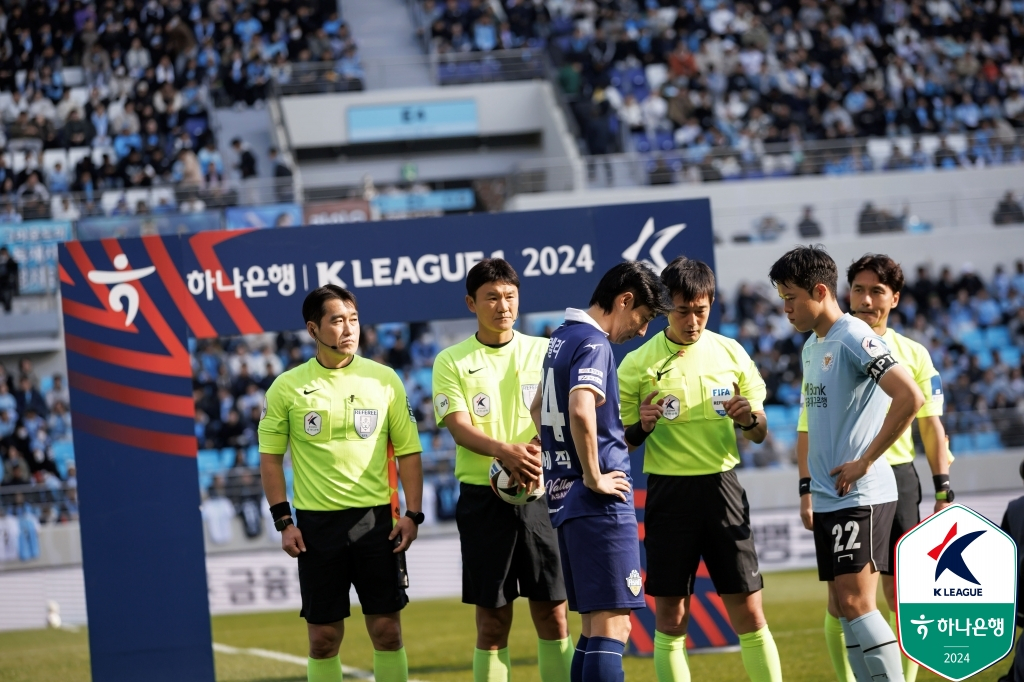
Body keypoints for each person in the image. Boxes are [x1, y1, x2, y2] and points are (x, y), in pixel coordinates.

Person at [618, 257, 782, 682]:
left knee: (749, 609)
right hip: (669, 495)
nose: (692, 321)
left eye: (701, 310)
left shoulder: (732, 352)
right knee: (671, 618)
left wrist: (749, 419)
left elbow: (760, 432)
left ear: (711, 304)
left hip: (723, 489)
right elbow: (615, 442)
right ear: (663, 307)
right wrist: (641, 425)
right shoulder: (637, 363)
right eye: (682, 310)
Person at [769, 245, 924, 682]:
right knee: (842, 607)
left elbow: (910, 396)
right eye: (782, 298)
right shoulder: (812, 346)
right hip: (831, 498)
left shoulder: (854, 335)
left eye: (791, 297)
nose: (785, 308)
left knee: (858, 603)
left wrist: (865, 460)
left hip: (861, 494)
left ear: (820, 290)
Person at [798, 254, 953, 682]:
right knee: (845, 603)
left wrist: (943, 490)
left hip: (886, 478)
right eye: (859, 289)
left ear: (894, 298)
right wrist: (805, 487)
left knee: (888, 596)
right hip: (838, 485)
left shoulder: (897, 349)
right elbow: (808, 426)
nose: (865, 299)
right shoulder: (815, 344)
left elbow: (928, 421)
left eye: (876, 290)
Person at [258, 285, 424, 682]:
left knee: (387, 632)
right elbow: (269, 458)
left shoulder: (385, 379)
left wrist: (413, 514)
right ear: (313, 328)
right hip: (317, 528)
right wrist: (284, 522)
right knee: (323, 639)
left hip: (375, 523)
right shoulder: (287, 387)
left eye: (352, 319)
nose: (348, 329)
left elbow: (409, 452)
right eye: (337, 320)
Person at [432, 259, 573, 682]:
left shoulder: (543, 351)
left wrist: (533, 451)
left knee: (554, 615)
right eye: (491, 297)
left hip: (542, 497)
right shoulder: (451, 360)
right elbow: (458, 426)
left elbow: (562, 415)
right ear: (471, 303)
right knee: (492, 624)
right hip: (482, 501)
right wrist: (505, 452)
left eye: (510, 296)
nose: (502, 305)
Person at [530, 261, 671, 682]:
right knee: (615, 627)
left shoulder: (559, 338)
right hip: (599, 502)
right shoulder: (594, 342)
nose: (642, 330)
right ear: (624, 300)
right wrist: (592, 474)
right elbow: (579, 407)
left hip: (565, 499)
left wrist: (560, 457)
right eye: (642, 318)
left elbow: (536, 405)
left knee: (594, 629)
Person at [0, 247, 18, 313]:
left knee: (7, 299)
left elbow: (14, 270)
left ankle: (8, 312)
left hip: (8, 284)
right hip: (1, 284)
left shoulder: (10, 260)